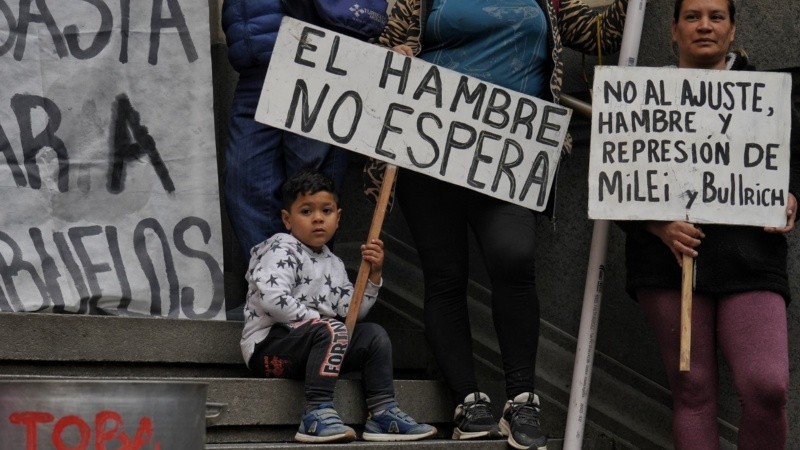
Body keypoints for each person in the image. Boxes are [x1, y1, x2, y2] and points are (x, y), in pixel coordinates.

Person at [370, 0, 629, 448]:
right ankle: (467, 402)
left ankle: (522, 400)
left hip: (510, 158)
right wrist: (394, 56)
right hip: (429, 149)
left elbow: (601, 34)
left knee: (514, 257)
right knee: (445, 275)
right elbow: (379, 47)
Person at [619, 0, 799, 448]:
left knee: (767, 386)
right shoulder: (640, 96)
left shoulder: (768, 94)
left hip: (751, 255)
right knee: (693, 391)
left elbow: (796, 160)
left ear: (733, 30)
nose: (704, 26)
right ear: (673, 30)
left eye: (716, 17)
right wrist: (657, 224)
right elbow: (614, 177)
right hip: (669, 261)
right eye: (692, 17)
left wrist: (793, 195)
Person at [240, 169, 437, 443]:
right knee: (331, 330)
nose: (318, 218)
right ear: (287, 219)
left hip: (318, 347)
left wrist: (374, 275)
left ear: (338, 217)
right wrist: (320, 322)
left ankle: (381, 412)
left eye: (326, 210)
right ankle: (316, 412)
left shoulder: (334, 263)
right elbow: (272, 299)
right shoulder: (280, 247)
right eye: (306, 211)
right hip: (270, 349)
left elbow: (350, 312)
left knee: (373, 335)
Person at [221, 1, 349, 262]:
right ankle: (271, 286)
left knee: (311, 189)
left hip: (312, 60)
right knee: (244, 183)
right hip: (254, 67)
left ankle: (311, 290)